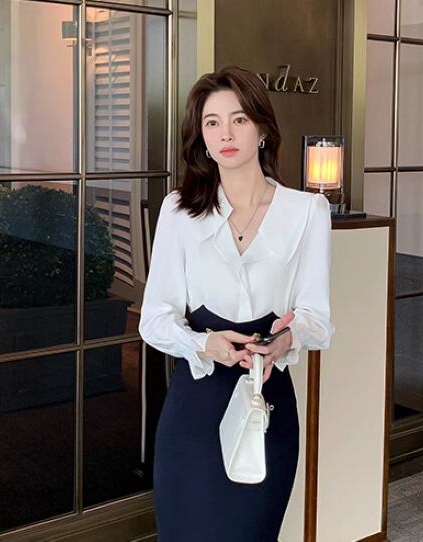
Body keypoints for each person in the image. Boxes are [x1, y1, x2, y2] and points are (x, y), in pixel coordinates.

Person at [138, 65, 335, 542]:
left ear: (262, 129)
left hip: (264, 405)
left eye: (239, 120)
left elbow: (318, 319)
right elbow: (154, 319)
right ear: (202, 138)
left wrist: (285, 339)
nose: (225, 134)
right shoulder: (179, 210)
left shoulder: (307, 211)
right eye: (212, 123)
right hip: (194, 410)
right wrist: (204, 344)